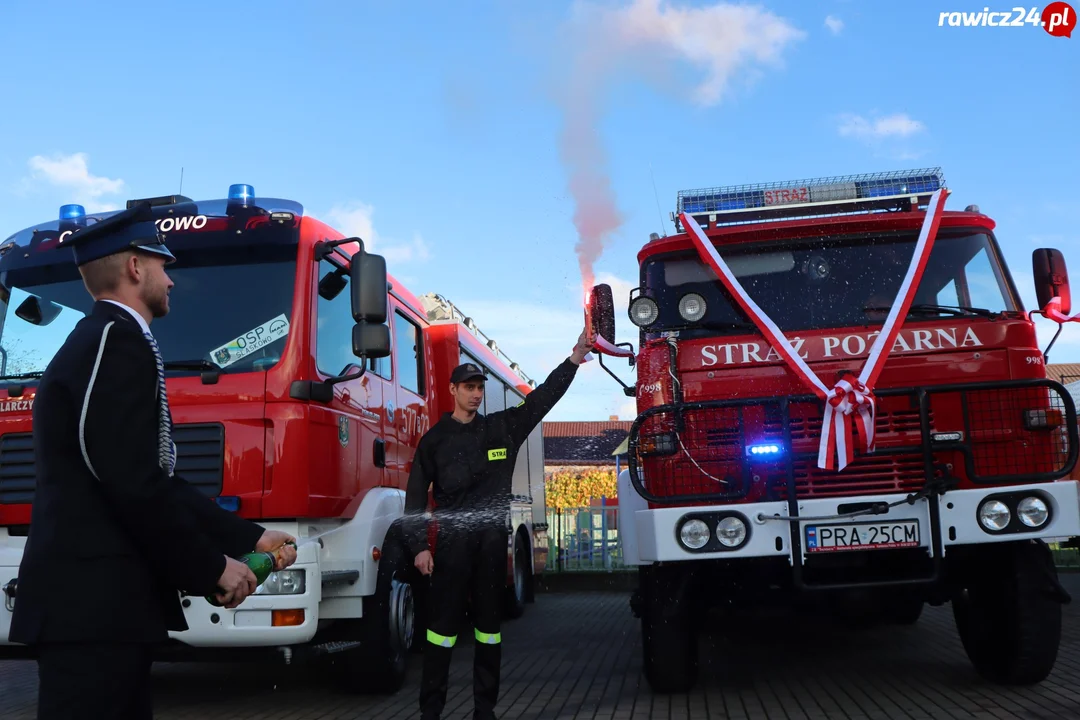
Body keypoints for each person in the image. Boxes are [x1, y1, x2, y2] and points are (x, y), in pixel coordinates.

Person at [8, 202, 298, 719]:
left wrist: (247, 537)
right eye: (163, 265)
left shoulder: (106, 341)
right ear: (135, 268)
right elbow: (131, 483)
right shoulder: (117, 342)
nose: (171, 280)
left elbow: (150, 478)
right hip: (95, 610)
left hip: (100, 610)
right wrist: (210, 567)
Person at [404, 330, 594, 720]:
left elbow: (542, 399)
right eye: (469, 387)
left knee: (489, 631)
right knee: (440, 632)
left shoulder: (501, 429)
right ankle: (430, 712)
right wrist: (420, 547)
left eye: (480, 388)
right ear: (453, 389)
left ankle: (484, 711)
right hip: (451, 551)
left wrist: (575, 357)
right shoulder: (434, 441)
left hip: (492, 548)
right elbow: (412, 499)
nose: (476, 394)